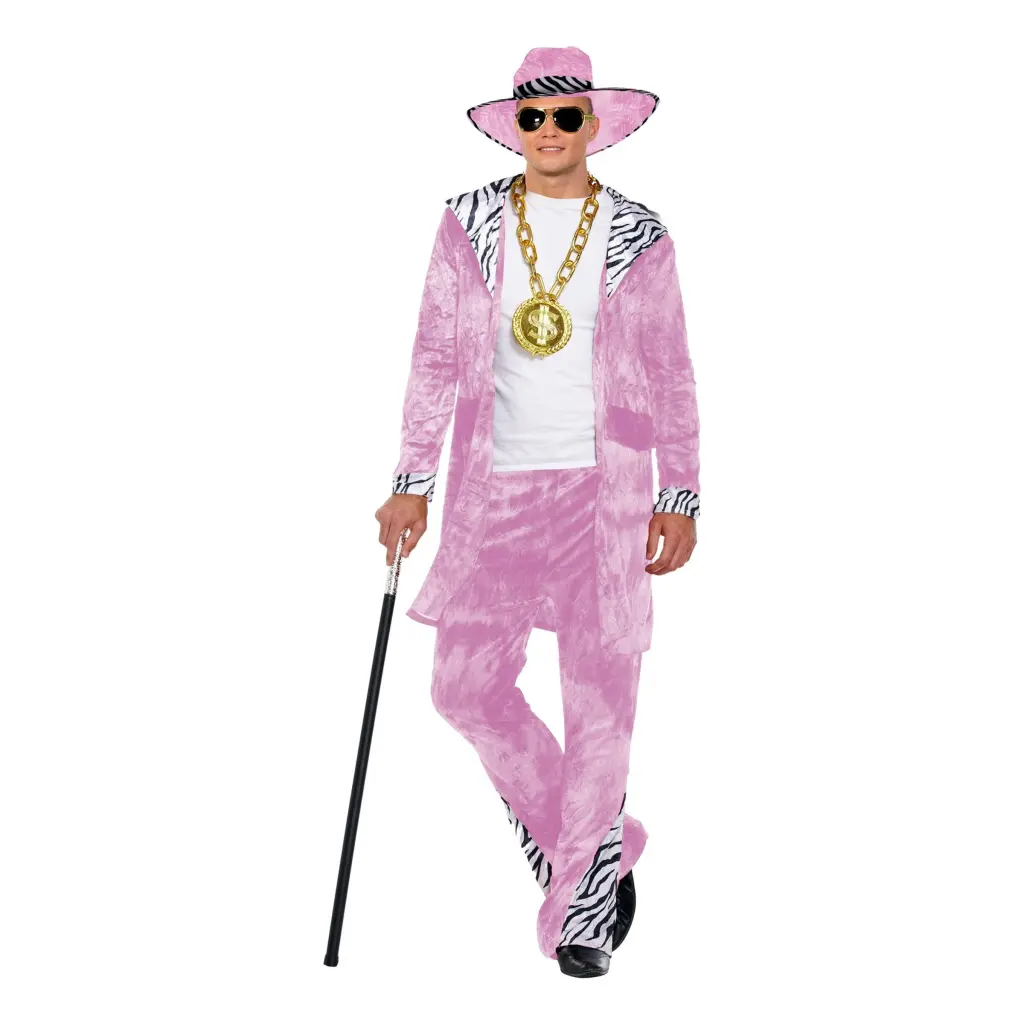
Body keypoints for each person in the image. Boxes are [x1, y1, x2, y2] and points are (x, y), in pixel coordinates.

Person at [375, 45, 700, 978]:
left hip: (607, 493)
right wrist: (411, 481)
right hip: (495, 494)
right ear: (513, 126)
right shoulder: (469, 221)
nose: (549, 131)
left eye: (566, 116)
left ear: (594, 124)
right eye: (532, 116)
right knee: (462, 689)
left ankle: (583, 913)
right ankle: (592, 843)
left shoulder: (639, 233)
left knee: (600, 699)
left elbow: (673, 368)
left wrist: (680, 492)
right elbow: (434, 356)